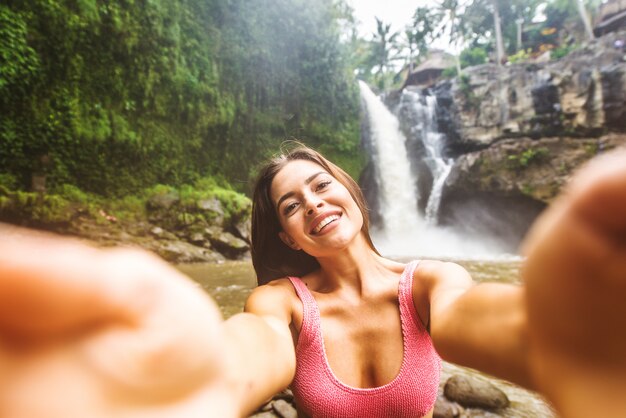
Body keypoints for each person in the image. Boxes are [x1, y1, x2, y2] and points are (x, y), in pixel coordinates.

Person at [0, 144, 625, 418]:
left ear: (352, 194)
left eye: (321, 185)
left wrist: (561, 339)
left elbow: (480, 319)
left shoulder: (433, 282)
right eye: (291, 206)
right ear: (287, 239)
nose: (313, 204)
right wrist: (179, 384)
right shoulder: (281, 304)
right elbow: (246, 352)